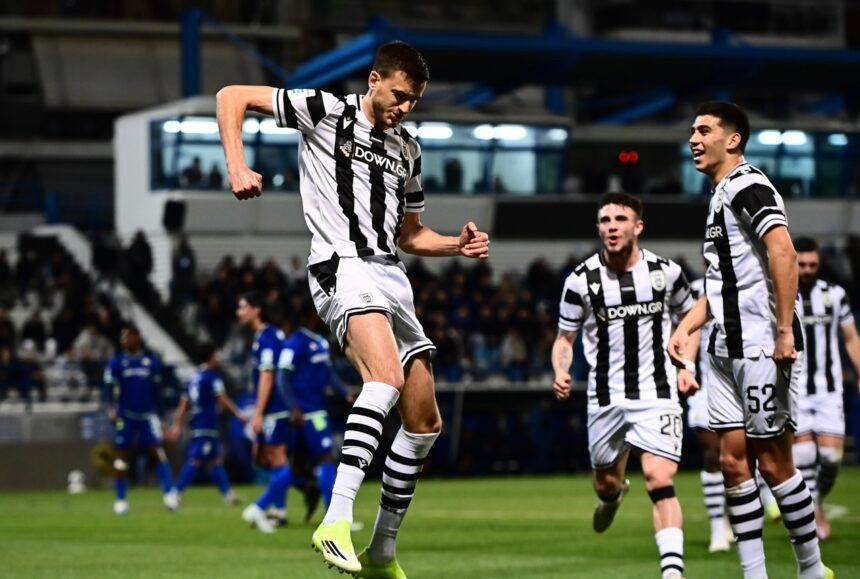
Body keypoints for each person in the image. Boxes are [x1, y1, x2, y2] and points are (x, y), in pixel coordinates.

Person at [217, 40, 489, 575]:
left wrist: (455, 244)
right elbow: (232, 96)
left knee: (424, 422)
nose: (405, 107)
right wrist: (237, 166)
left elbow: (410, 234)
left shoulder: (407, 149)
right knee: (383, 378)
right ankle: (336, 520)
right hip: (340, 264)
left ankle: (382, 552)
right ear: (374, 80)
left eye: (414, 101)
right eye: (399, 95)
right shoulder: (326, 110)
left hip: (392, 275)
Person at [669, 101, 832, 579]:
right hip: (724, 349)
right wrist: (686, 325)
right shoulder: (720, 194)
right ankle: (754, 575)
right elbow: (724, 281)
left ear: (733, 139)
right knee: (732, 463)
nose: (694, 139)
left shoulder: (748, 185)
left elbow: (783, 251)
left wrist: (783, 331)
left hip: (760, 344)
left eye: (704, 131)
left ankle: (811, 569)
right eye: (692, 131)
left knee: (775, 464)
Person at [552, 192, 697, 579]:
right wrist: (561, 370)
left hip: (658, 392)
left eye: (620, 219)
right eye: (605, 220)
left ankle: (672, 572)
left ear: (638, 226)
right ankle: (613, 496)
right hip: (605, 397)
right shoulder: (580, 280)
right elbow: (564, 339)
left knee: (660, 479)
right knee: (605, 484)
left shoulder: (666, 273)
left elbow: (691, 320)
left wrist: (687, 364)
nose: (612, 227)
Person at [758, 237, 860, 541]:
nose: (806, 270)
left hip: (828, 391)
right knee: (802, 455)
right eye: (801, 264)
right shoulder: (778, 294)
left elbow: (851, 338)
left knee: (830, 458)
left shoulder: (835, 295)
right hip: (795, 388)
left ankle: (816, 502)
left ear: (819, 264)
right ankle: (813, 514)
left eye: (812, 265)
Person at [277, 313, 355, 525]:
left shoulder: (320, 342)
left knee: (297, 467)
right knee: (327, 458)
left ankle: (258, 507)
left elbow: (329, 374)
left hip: (316, 410)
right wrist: (293, 408)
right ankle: (334, 518)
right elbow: (282, 378)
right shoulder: (294, 343)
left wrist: (345, 394)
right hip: (308, 413)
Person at [103, 323, 175, 515]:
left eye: (127, 336)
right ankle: (120, 499)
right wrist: (110, 408)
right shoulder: (117, 362)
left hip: (148, 415)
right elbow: (108, 389)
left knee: (156, 451)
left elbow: (158, 391)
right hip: (125, 415)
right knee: (122, 455)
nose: (124, 340)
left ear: (137, 337)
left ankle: (170, 495)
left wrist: (162, 416)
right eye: (122, 337)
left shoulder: (151, 362)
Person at [235, 291, 290, 534]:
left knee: (282, 461)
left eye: (243, 307)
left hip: (276, 407)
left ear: (256, 309)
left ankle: (260, 508)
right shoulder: (265, 336)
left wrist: (258, 413)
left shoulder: (267, 337)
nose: (239, 312)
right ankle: (279, 511)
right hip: (276, 407)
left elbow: (267, 376)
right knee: (274, 459)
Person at [166, 342, 244, 506]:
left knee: (215, 460)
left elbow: (183, 404)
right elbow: (222, 399)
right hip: (206, 423)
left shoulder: (193, 378)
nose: (218, 357)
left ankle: (228, 494)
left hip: (197, 423)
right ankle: (175, 493)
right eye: (216, 354)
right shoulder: (212, 377)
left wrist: (177, 424)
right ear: (210, 356)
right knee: (196, 460)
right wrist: (238, 414)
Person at [686, 277, 732, 553]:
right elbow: (682, 329)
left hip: (740, 382)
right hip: (704, 385)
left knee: (736, 458)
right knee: (713, 452)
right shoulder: (693, 290)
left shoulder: (748, 280)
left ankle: (732, 514)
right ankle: (717, 527)